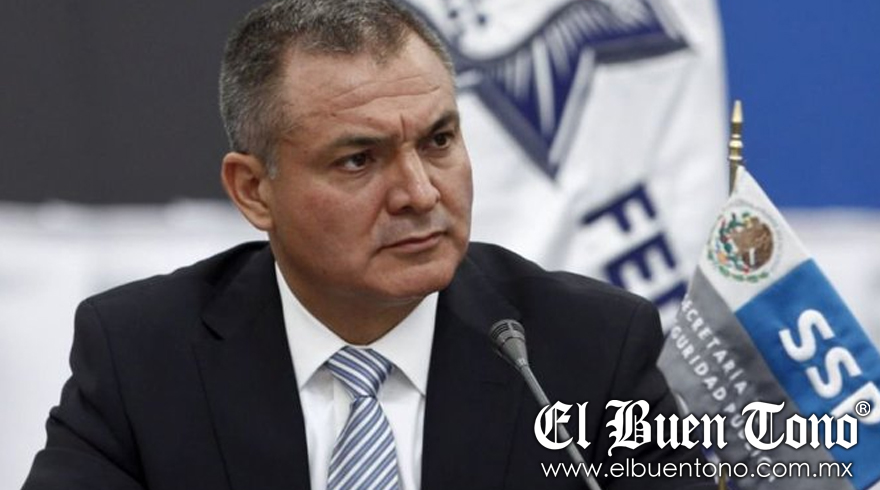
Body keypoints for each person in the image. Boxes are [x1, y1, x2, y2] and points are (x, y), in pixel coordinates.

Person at [23, 1, 714, 489]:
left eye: (439, 141)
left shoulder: (587, 352)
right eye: (359, 159)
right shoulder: (143, 357)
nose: (420, 192)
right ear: (254, 191)